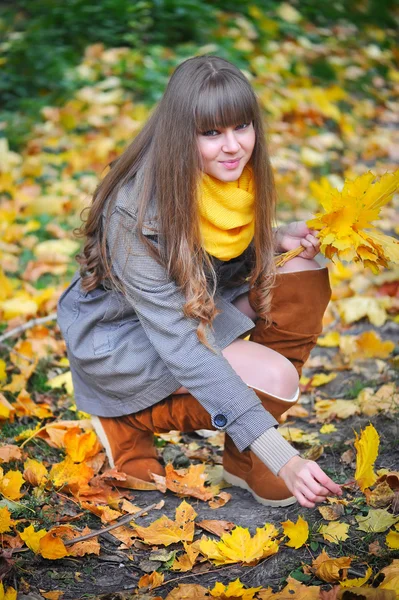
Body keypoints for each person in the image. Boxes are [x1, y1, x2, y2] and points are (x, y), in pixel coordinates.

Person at [57, 55, 342, 509]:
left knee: (301, 270)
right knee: (274, 375)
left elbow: (213, 252)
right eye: (211, 133)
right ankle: (127, 419)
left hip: (195, 302)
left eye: (241, 127)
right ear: (180, 134)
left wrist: (272, 237)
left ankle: (245, 456)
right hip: (128, 338)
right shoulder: (135, 210)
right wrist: (283, 456)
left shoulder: (234, 180)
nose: (232, 146)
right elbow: (183, 343)